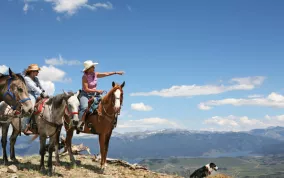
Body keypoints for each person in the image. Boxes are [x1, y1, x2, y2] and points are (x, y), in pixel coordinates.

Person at [78, 60, 124, 130]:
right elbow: (86, 89)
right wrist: (97, 90)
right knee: (84, 107)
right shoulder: (84, 77)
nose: (94, 67)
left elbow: (106, 74)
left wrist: (116, 72)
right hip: (85, 94)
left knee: (107, 103)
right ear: (89, 68)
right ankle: (81, 123)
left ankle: (111, 121)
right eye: (93, 66)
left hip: (94, 94)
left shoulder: (95, 74)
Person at [22, 64, 49, 135]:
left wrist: (44, 92)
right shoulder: (26, 78)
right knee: (31, 108)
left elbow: (40, 87)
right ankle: (24, 127)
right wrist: (41, 93)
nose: (38, 72)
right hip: (28, 94)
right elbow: (33, 87)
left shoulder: (36, 79)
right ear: (32, 72)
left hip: (36, 93)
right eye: (37, 71)